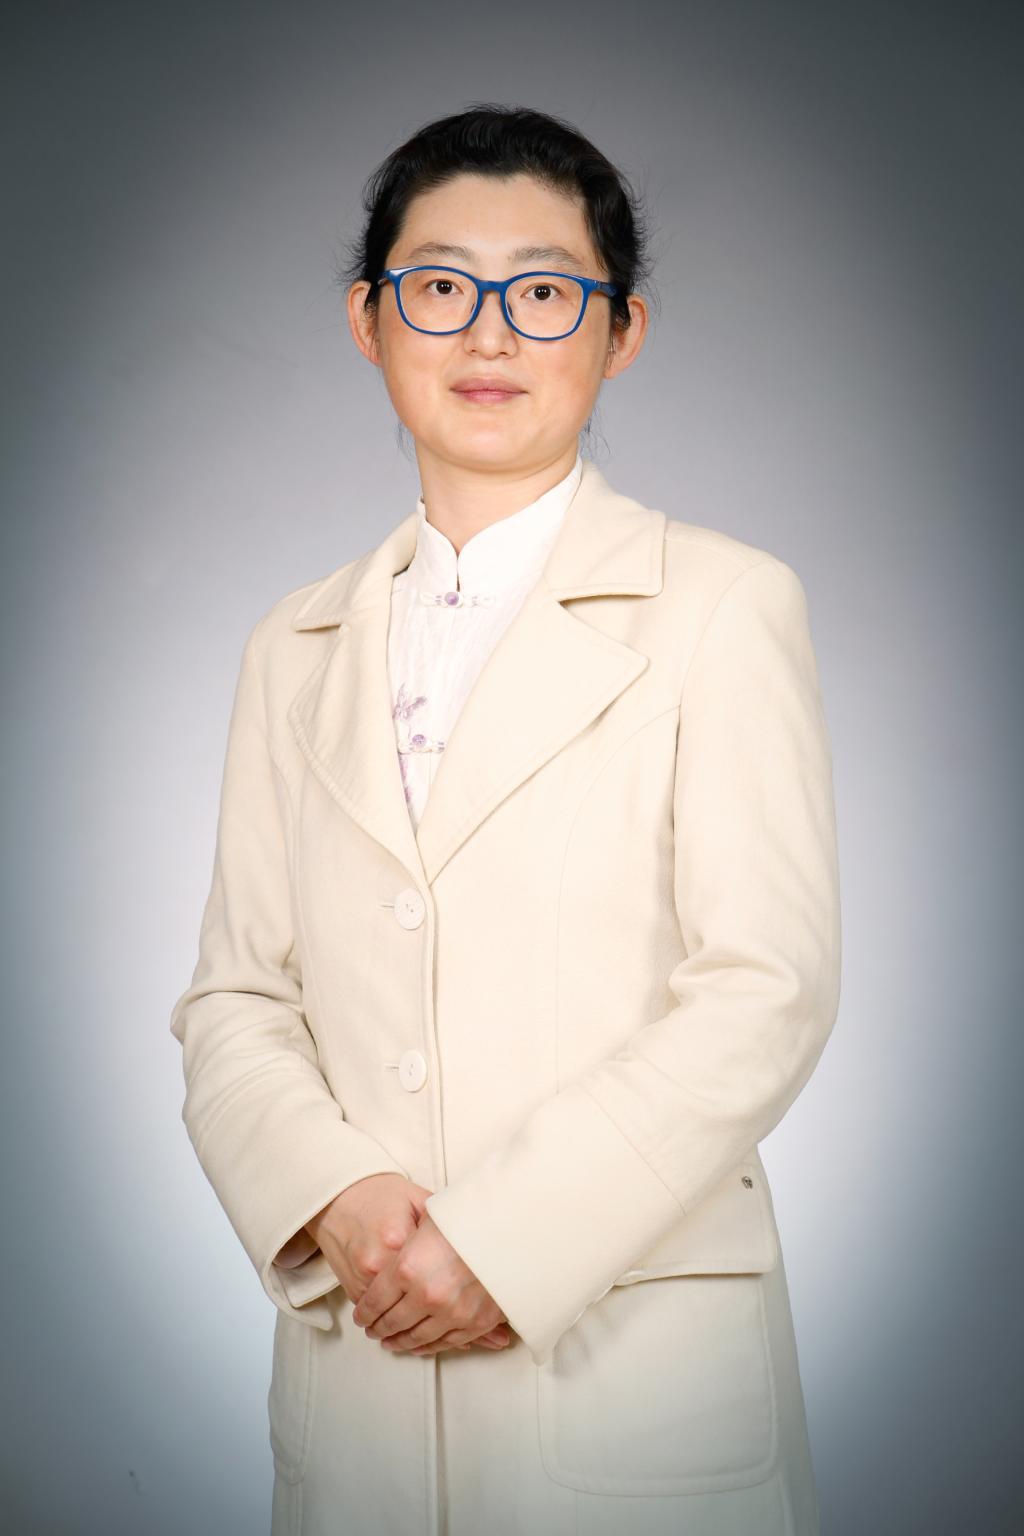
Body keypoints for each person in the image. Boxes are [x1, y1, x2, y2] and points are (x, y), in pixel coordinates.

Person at [169, 103, 841, 1536]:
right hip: (361, 1381)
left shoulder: (724, 605)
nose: (488, 334)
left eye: (544, 292)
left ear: (621, 331)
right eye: (438, 287)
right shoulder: (291, 644)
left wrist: (507, 1240)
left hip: (630, 1380)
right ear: (369, 320)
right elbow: (236, 996)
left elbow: (765, 989)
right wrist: (334, 1192)